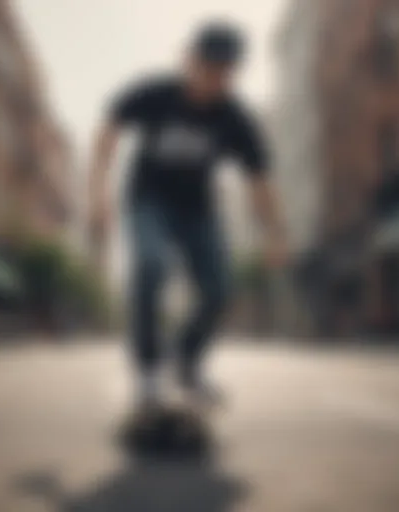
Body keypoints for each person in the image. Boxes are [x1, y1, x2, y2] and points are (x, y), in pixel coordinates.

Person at [89, 21, 288, 415]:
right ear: (188, 60)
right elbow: (107, 134)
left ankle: (185, 360)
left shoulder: (234, 118)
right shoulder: (154, 94)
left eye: (224, 74)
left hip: (199, 212)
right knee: (150, 265)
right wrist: (98, 195)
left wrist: (275, 234)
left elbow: (259, 179)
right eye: (206, 69)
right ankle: (147, 370)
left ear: (233, 74)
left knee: (220, 289)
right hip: (149, 202)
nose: (212, 82)